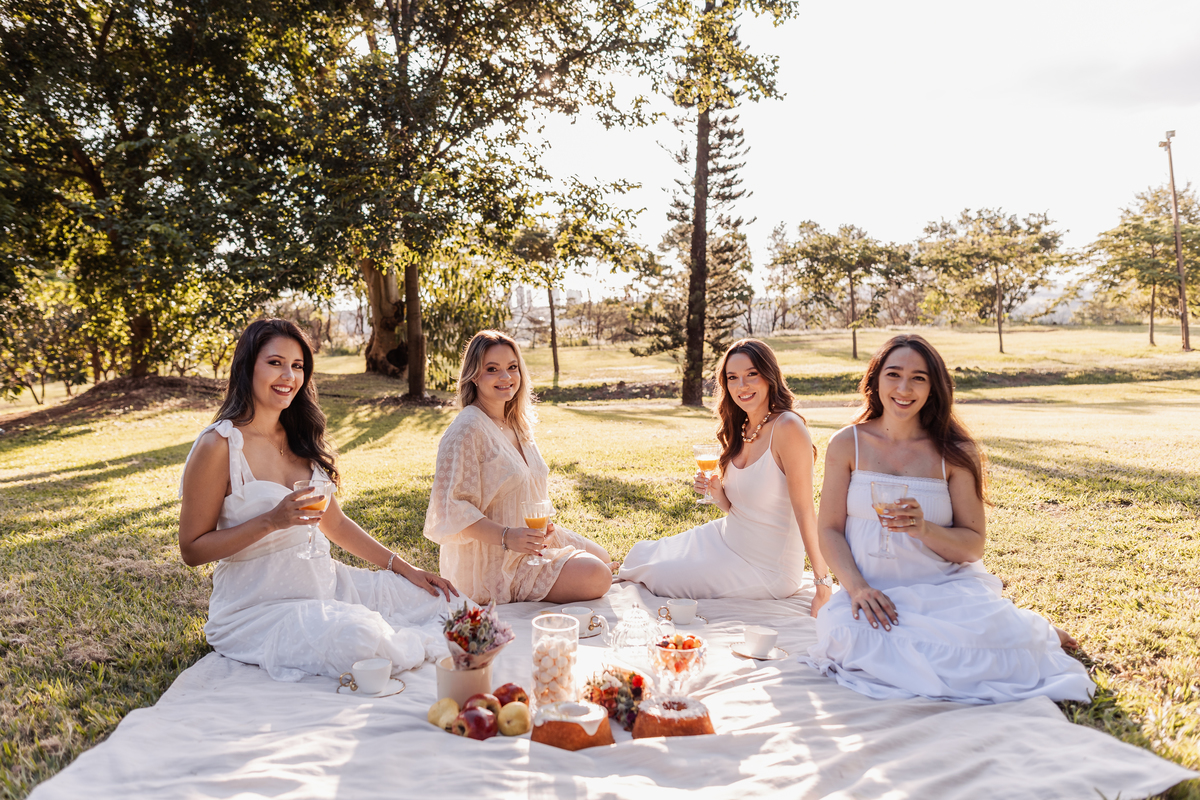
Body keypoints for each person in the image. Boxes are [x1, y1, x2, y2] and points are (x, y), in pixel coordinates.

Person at [800, 334, 1094, 704]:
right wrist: (857, 588)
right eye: (893, 374)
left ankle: (1036, 631)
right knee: (844, 634)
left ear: (933, 387)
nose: (904, 388)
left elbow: (972, 545)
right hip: (873, 591)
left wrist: (924, 529)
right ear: (875, 380)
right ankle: (1013, 632)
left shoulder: (953, 452)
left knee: (981, 644)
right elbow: (829, 529)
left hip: (944, 589)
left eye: (918, 378)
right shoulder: (847, 443)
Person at [179, 319, 459, 683]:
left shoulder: (300, 438)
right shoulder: (219, 446)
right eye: (275, 362)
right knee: (363, 640)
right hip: (257, 608)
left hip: (326, 585)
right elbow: (192, 549)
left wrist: (405, 569)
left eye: (298, 366)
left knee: (444, 604)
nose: (288, 376)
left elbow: (336, 524)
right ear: (248, 366)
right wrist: (271, 521)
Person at [617, 339, 834, 613]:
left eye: (751, 375)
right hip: (725, 538)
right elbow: (739, 508)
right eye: (733, 378)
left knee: (660, 576)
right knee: (646, 554)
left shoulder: (788, 428)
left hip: (765, 568)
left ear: (769, 376)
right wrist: (719, 494)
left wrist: (822, 583)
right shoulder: (742, 427)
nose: (741, 386)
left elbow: (805, 512)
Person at [423, 330, 614, 604]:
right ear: (474, 376)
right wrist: (506, 536)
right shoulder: (466, 429)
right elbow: (450, 510)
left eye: (512, 368)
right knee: (598, 574)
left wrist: (543, 528)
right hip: (494, 561)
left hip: (532, 542)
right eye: (492, 369)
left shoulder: (515, 423)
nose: (506, 377)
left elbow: (527, 490)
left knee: (603, 559)